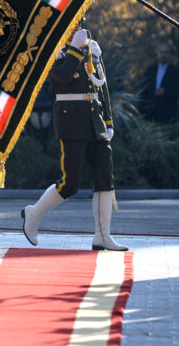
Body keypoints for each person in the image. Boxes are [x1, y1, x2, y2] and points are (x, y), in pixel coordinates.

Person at [21, 26, 127, 251]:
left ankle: (102, 235)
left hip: (94, 121)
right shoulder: (54, 51)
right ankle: (34, 213)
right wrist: (75, 48)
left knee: (105, 178)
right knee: (71, 183)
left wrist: (108, 121)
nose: (80, 28)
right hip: (71, 123)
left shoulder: (91, 50)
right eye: (74, 24)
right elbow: (63, 76)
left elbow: (101, 87)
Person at [139, 43, 179, 124]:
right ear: (157, 53)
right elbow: (143, 91)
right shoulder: (150, 70)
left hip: (167, 115)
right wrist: (140, 111)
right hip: (149, 114)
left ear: (170, 55)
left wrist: (166, 92)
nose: (163, 55)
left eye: (166, 53)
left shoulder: (176, 71)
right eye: (161, 52)